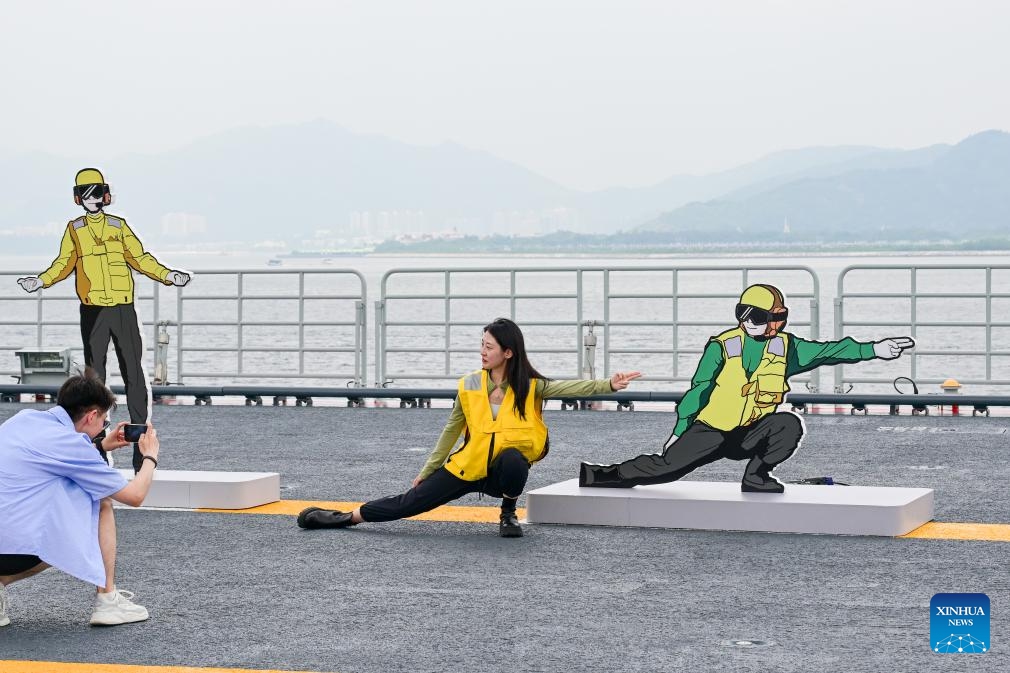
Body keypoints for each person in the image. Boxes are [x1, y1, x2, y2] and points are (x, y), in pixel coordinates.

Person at [297, 317, 642, 537]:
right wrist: (428, 470)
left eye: (488, 347)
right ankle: (344, 518)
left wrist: (609, 384)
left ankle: (508, 510)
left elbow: (572, 388)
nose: (482, 351)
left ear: (508, 353)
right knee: (406, 504)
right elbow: (450, 430)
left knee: (513, 459)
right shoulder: (469, 385)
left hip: (501, 474)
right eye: (481, 345)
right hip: (466, 468)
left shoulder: (531, 386)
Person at [579, 284, 915, 493]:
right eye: (771, 318)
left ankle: (757, 476)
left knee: (788, 424)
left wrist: (874, 348)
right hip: (710, 430)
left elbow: (830, 350)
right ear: (749, 317)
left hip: (750, 431)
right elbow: (699, 389)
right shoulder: (723, 346)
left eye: (780, 318)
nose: (776, 325)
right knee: (666, 470)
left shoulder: (787, 347)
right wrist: (680, 430)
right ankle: (600, 475)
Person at [17, 167, 190, 472]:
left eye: (96, 192)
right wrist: (41, 281)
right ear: (77, 197)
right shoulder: (75, 229)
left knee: (134, 374)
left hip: (123, 309)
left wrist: (167, 275)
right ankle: (96, 446)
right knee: (94, 380)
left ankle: (140, 443)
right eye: (86, 193)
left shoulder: (118, 226)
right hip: (93, 311)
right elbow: (63, 264)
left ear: (105, 194)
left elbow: (141, 258)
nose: (92, 198)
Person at [0, 371, 161, 627]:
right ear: (91, 416)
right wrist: (150, 457)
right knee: (101, 501)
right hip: (12, 552)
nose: (103, 428)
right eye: (104, 422)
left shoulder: (24, 419)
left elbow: (51, 459)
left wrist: (99, 446)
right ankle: (107, 600)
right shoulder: (71, 445)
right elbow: (135, 496)